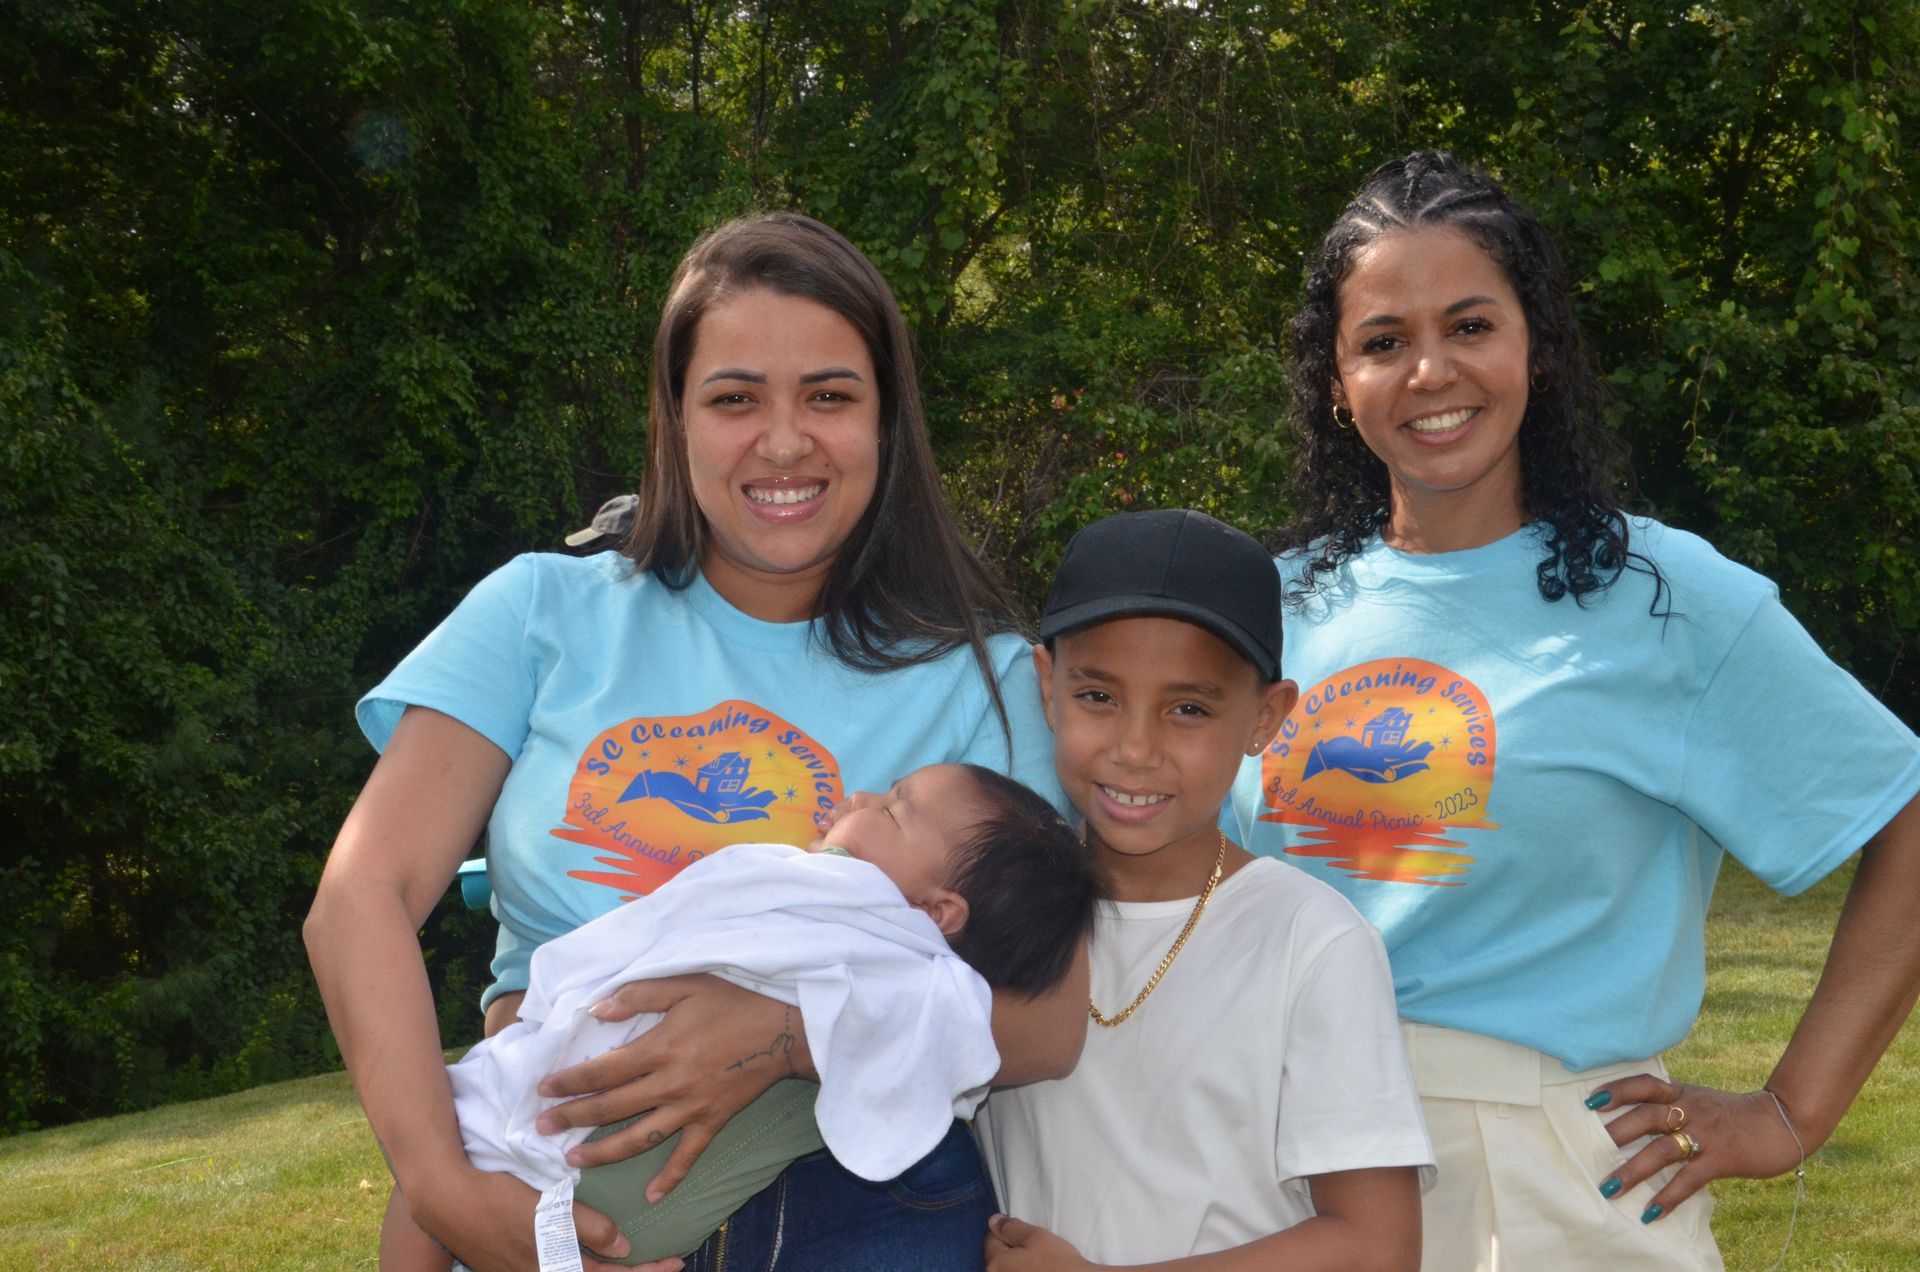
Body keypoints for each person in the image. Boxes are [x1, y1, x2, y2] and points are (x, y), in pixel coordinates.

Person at [305, 212, 1087, 1272]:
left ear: (888, 421)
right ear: (673, 421)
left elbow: (1050, 1023)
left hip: (861, 1202)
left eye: (829, 395)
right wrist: (447, 1191)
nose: (782, 441)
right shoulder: (540, 612)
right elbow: (361, 898)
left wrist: (782, 1038)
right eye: (733, 398)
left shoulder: (986, 674)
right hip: (553, 1184)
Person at [1228, 149, 1920, 1271]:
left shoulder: (1666, 597)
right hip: (1275, 1170)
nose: (1430, 372)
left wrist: (1792, 1111)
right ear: (1333, 379)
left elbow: (1906, 816)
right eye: (1383, 342)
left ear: (1534, 347)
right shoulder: (1271, 608)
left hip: (1548, 1192)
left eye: (1470, 325)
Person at [383, 762, 1097, 1271]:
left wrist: (788, 1027)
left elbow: (984, 1026)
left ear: (938, 911)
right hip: (620, 1147)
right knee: (443, 1175)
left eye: (894, 808)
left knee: (444, 1159)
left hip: (614, 1139)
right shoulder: (917, 972)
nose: (865, 796)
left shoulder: (904, 954)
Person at [976, 509, 1434, 1271]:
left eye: (1188, 709)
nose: (1134, 748)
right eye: (1098, 696)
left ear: (1266, 717)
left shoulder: (1312, 940)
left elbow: (1377, 1245)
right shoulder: (991, 909)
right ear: (1047, 684)